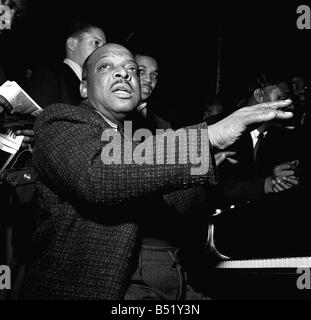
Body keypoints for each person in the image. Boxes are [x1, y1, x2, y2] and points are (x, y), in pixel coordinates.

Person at [19, 43, 293, 300]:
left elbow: (191, 202)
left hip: (174, 276)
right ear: (83, 87)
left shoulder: (150, 137)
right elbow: (98, 177)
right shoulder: (59, 121)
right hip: (107, 287)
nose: (122, 73)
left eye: (131, 69)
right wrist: (209, 137)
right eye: (105, 66)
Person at [28, 21, 106, 109]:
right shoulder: (48, 75)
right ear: (72, 44)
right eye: (96, 43)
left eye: (104, 46)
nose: (103, 50)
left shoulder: (99, 85)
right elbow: (40, 119)